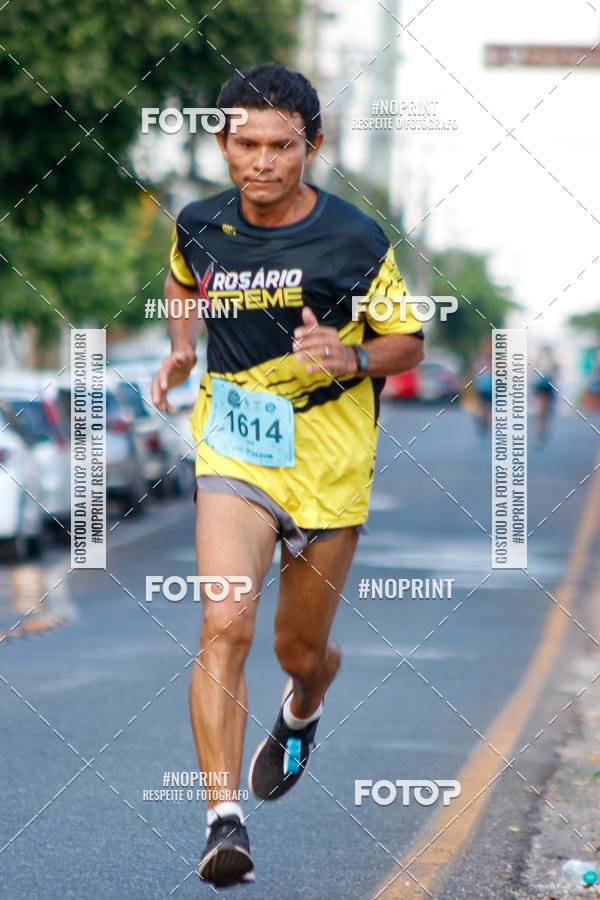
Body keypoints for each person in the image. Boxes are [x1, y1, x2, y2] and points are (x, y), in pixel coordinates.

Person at [152, 62, 425, 888]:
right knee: (225, 626)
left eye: (281, 146)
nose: (261, 162)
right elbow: (179, 280)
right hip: (235, 449)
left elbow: (408, 343)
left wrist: (348, 353)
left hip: (331, 462)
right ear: (223, 143)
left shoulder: (353, 238)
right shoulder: (199, 224)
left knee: (295, 646)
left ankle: (305, 702)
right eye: (245, 144)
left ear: (311, 145)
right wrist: (182, 348)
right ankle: (222, 822)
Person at [533, 346, 559, 445]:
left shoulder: (545, 361)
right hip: (542, 387)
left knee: (543, 410)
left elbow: (555, 372)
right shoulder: (541, 361)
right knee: (542, 410)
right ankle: (540, 430)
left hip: (545, 386)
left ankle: (540, 429)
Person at [470, 338, 493, 436]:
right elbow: (472, 370)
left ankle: (485, 423)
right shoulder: (477, 358)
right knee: (483, 407)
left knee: (487, 408)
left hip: (490, 387)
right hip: (481, 387)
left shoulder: (492, 359)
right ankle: (483, 422)